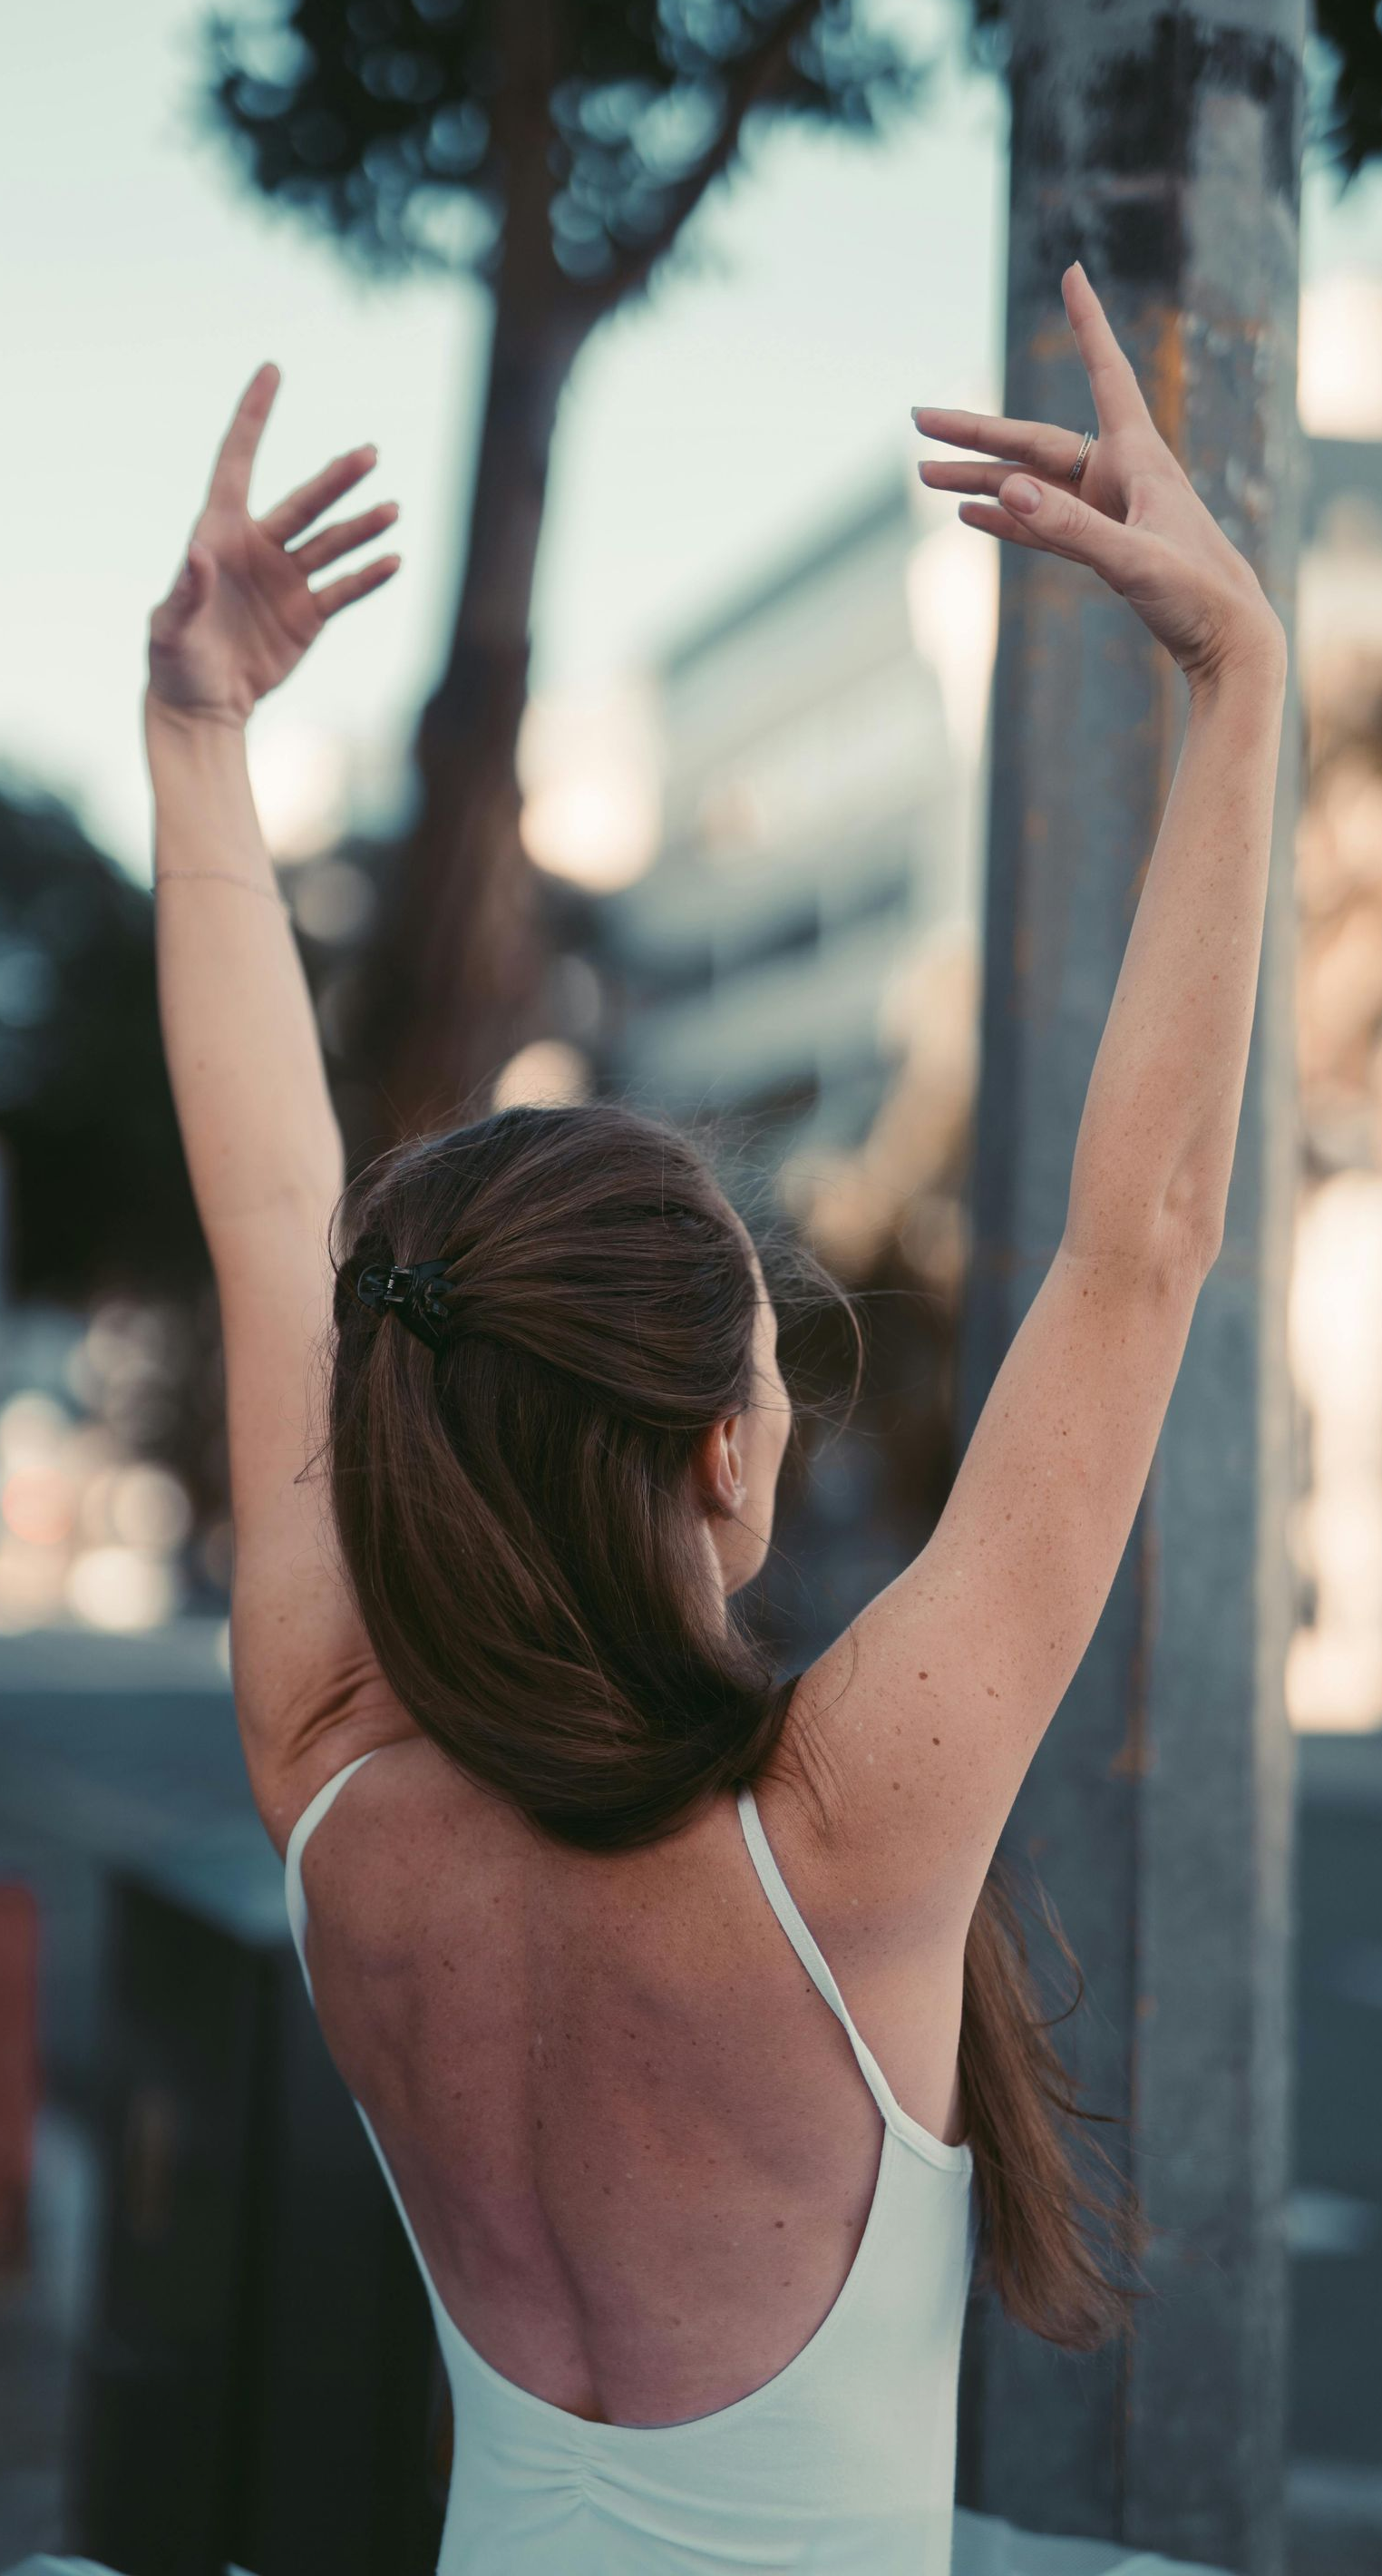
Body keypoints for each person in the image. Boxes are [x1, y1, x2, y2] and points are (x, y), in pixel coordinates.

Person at [145, 265, 1284, 2574]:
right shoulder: (840, 1837)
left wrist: (192, 748)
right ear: (718, 1459)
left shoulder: (331, 1790)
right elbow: (1144, 1238)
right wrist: (1240, 675)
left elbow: (281, 1222)